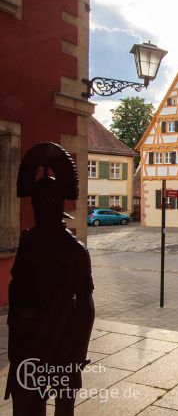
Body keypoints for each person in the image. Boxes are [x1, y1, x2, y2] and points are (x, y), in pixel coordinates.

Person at [6, 143, 95, 416]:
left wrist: (78, 353)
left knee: (61, 405)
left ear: (56, 204)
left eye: (45, 203)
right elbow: (16, 290)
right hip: (30, 338)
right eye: (36, 203)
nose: (39, 208)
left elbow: (86, 307)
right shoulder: (29, 242)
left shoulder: (75, 250)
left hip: (60, 338)